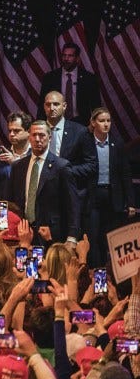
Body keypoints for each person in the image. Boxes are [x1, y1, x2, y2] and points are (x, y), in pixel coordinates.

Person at [8, 120, 79, 243]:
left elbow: (72, 204)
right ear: (29, 137)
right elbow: (10, 201)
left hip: (51, 234)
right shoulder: (18, 166)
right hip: (22, 232)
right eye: (34, 135)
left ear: (49, 137)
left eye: (41, 135)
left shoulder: (61, 166)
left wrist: (72, 237)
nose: (37, 139)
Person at [86, 107, 136, 266]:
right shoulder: (86, 143)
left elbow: (125, 174)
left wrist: (131, 202)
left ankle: (109, 274)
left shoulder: (117, 144)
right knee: (93, 237)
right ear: (93, 123)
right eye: (102, 121)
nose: (106, 124)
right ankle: (95, 272)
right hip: (93, 196)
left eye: (108, 121)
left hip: (112, 197)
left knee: (109, 237)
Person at [41, 90, 97, 207]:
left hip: (70, 194)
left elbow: (92, 165)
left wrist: (66, 171)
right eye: (48, 104)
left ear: (64, 106)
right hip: (41, 193)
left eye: (56, 104)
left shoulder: (80, 131)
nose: (52, 108)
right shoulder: (36, 130)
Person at [38, 42, 100, 126]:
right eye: (64, 55)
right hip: (56, 122)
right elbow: (42, 105)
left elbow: (96, 106)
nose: (66, 59)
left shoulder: (88, 78)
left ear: (77, 58)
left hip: (81, 124)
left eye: (70, 56)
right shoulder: (50, 78)